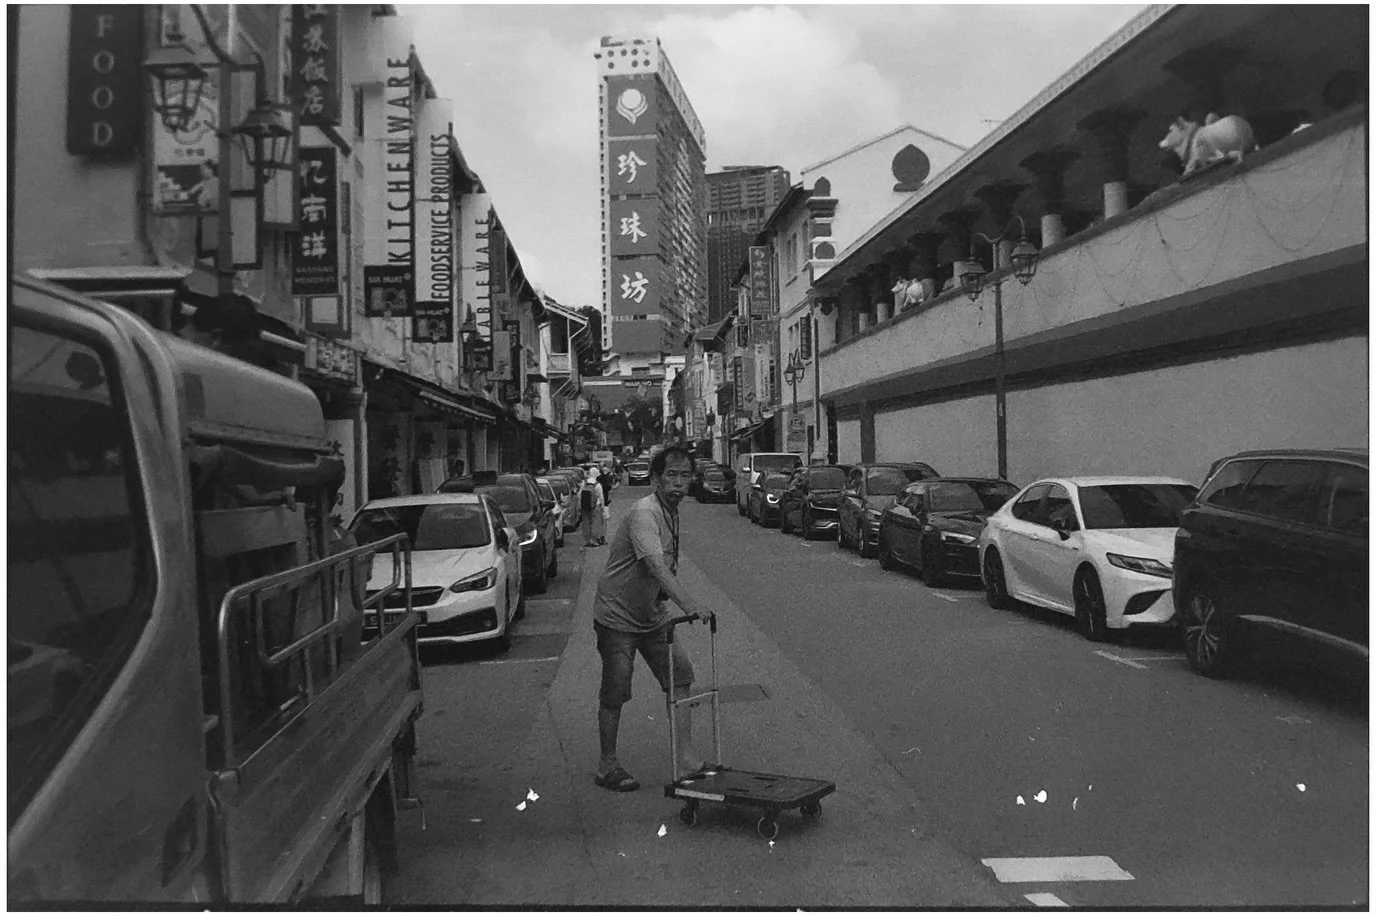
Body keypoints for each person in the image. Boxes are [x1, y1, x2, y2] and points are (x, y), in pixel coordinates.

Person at [591, 446, 713, 792]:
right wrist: (690, 605)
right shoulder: (645, 513)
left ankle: (687, 758)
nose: (677, 483)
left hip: (652, 615)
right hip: (617, 617)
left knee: (681, 676)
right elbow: (656, 567)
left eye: (684, 475)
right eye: (670, 476)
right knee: (616, 689)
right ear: (656, 479)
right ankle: (607, 765)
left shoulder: (671, 511)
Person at [579, 467, 606, 546]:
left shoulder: (584, 483)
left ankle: (587, 540)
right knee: (595, 523)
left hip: (585, 506)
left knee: (586, 523)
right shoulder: (597, 484)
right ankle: (594, 540)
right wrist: (603, 507)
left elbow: (579, 494)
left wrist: (580, 505)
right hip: (595, 506)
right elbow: (601, 497)